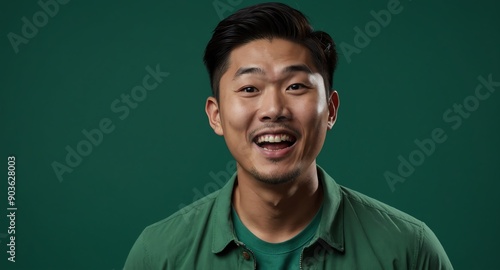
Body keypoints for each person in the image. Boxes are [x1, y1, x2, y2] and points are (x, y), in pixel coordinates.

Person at [124, 2, 453, 269]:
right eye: (250, 88)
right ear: (216, 115)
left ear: (331, 110)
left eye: (296, 86)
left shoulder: (409, 250)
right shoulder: (159, 255)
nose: (273, 109)